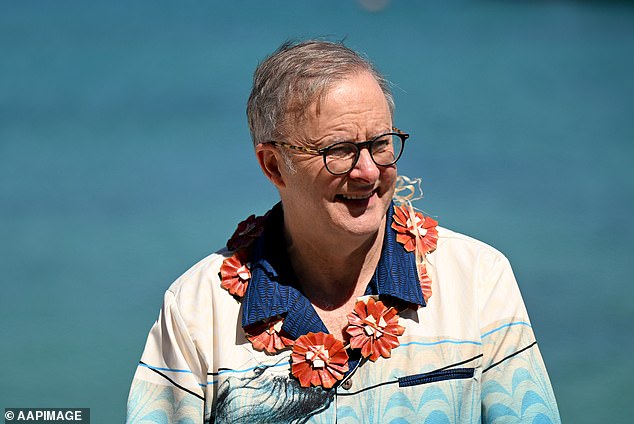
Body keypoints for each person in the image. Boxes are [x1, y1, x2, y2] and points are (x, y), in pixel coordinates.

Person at [126, 40, 561, 423]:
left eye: (380, 144)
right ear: (274, 165)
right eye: (340, 150)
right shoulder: (198, 309)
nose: (368, 171)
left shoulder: (479, 279)